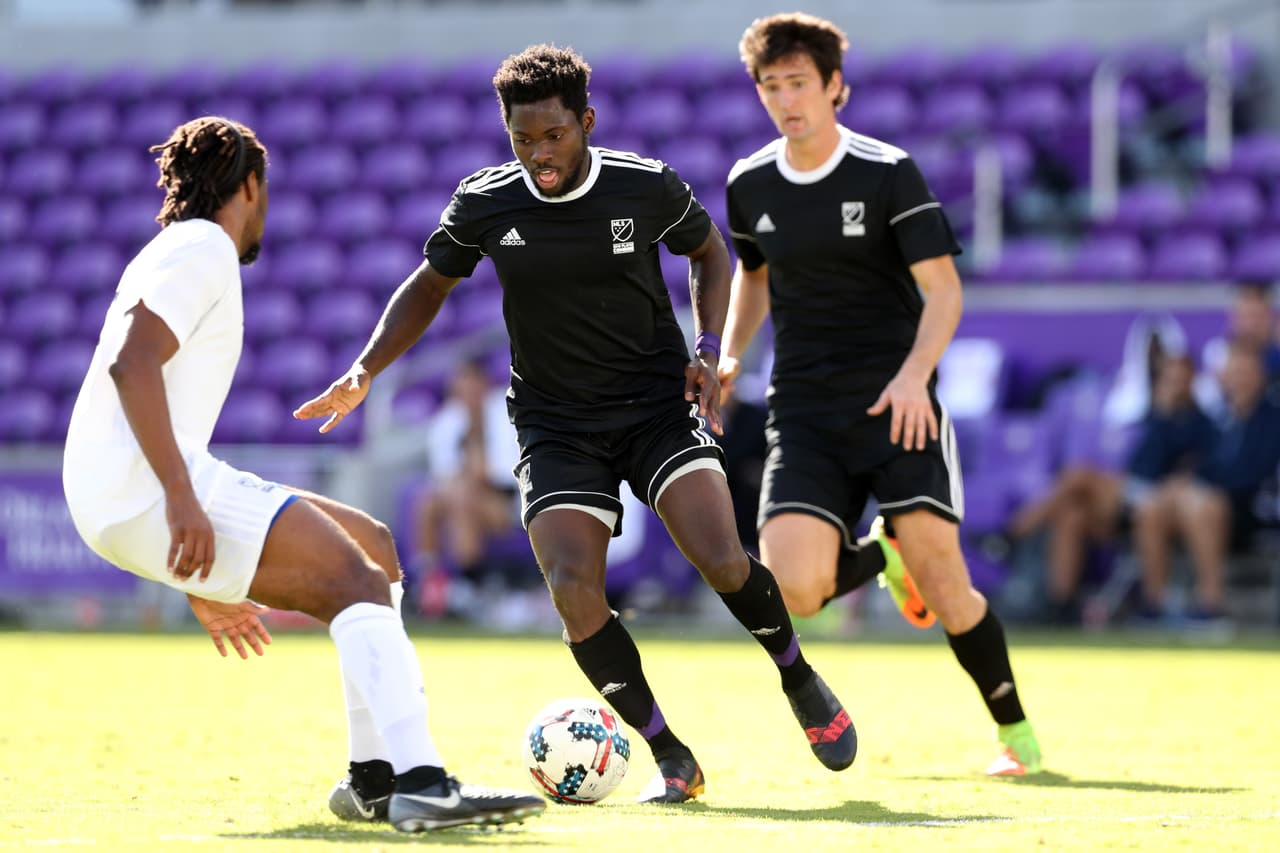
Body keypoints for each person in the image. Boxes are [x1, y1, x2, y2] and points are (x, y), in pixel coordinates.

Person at [295, 45, 857, 804]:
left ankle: (797, 673)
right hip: (556, 424)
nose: (539, 155)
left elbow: (710, 252)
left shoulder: (643, 185)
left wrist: (707, 347)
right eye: (523, 141)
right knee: (572, 590)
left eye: (554, 136)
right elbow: (430, 284)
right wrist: (366, 368)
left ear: (585, 122)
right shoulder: (487, 202)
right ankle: (670, 753)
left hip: (657, 406)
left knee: (723, 559)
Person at [60, 116, 545, 833]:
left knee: (373, 548)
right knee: (355, 580)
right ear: (250, 186)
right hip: (146, 488)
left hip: (130, 490)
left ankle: (373, 779)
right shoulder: (203, 249)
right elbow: (132, 367)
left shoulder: (181, 248)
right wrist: (182, 501)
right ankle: (423, 781)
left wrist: (193, 558)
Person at [720, 13, 1041, 775]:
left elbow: (944, 292)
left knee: (947, 585)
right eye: (772, 86)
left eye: (799, 83)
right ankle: (885, 553)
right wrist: (730, 354)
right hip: (802, 409)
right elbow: (752, 273)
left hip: (900, 406)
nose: (786, 99)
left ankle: (1016, 733)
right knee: (795, 590)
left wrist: (912, 376)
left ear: (835, 86)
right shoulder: (750, 182)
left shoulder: (887, 171)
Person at [1003, 354, 1215, 623]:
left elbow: (1163, 469)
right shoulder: (1149, 415)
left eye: (1179, 379)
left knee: (1078, 475)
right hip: (1131, 495)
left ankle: (1012, 533)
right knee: (1072, 513)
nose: (1174, 384)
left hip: (1159, 498)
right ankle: (1061, 604)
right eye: (1168, 378)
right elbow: (1137, 461)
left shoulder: (1197, 421)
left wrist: (1164, 417)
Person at [1133, 340, 1280, 626]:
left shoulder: (1273, 419)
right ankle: (1156, 604)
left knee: (1200, 501)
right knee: (1152, 505)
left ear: (1260, 375)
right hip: (1204, 503)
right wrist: (1163, 414)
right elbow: (1154, 464)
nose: (1239, 379)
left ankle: (1211, 605)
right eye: (1234, 371)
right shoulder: (1215, 418)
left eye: (1246, 371)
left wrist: (1202, 484)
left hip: (1251, 509)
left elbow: (1256, 473)